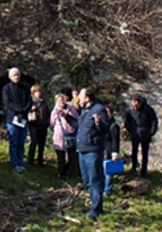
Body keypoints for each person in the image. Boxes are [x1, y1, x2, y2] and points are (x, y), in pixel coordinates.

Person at [76, 88, 108, 220]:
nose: (78, 98)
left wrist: (99, 123)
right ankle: (94, 206)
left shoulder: (99, 109)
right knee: (87, 181)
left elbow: (106, 128)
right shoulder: (84, 111)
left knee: (95, 180)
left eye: (80, 96)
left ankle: (96, 211)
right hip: (82, 150)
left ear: (87, 97)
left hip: (93, 151)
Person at [3, 67, 32, 172]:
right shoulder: (6, 89)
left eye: (18, 75)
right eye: (14, 75)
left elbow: (30, 101)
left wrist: (24, 111)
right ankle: (14, 164)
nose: (16, 77)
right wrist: (18, 110)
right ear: (10, 77)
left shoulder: (25, 88)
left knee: (21, 142)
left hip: (23, 118)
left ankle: (20, 163)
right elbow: (7, 102)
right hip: (12, 119)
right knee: (14, 142)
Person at [123, 95, 159, 177]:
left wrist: (151, 132)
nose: (134, 107)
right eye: (133, 105)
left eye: (136, 105)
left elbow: (154, 120)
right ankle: (134, 167)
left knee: (145, 152)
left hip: (146, 133)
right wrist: (130, 130)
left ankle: (144, 170)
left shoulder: (148, 109)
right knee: (134, 151)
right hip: (135, 132)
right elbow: (126, 121)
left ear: (139, 103)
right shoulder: (130, 110)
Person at [50, 92, 79, 181]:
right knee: (60, 156)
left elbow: (76, 121)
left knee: (72, 156)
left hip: (70, 135)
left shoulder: (71, 109)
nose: (61, 103)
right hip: (59, 136)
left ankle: (72, 173)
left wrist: (67, 117)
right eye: (59, 101)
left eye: (62, 101)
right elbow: (52, 123)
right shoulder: (54, 111)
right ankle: (61, 173)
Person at [27, 84, 51, 166]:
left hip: (43, 125)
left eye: (39, 91)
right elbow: (26, 111)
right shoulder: (31, 102)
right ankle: (30, 160)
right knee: (33, 142)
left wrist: (47, 122)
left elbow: (48, 113)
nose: (38, 93)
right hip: (34, 125)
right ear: (33, 93)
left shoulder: (44, 102)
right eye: (36, 92)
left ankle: (40, 161)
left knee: (42, 143)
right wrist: (31, 109)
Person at [103, 105, 122, 195]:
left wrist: (115, 152)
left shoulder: (114, 126)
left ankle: (108, 190)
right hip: (102, 149)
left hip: (109, 150)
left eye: (107, 112)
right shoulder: (103, 124)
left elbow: (116, 140)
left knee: (108, 172)